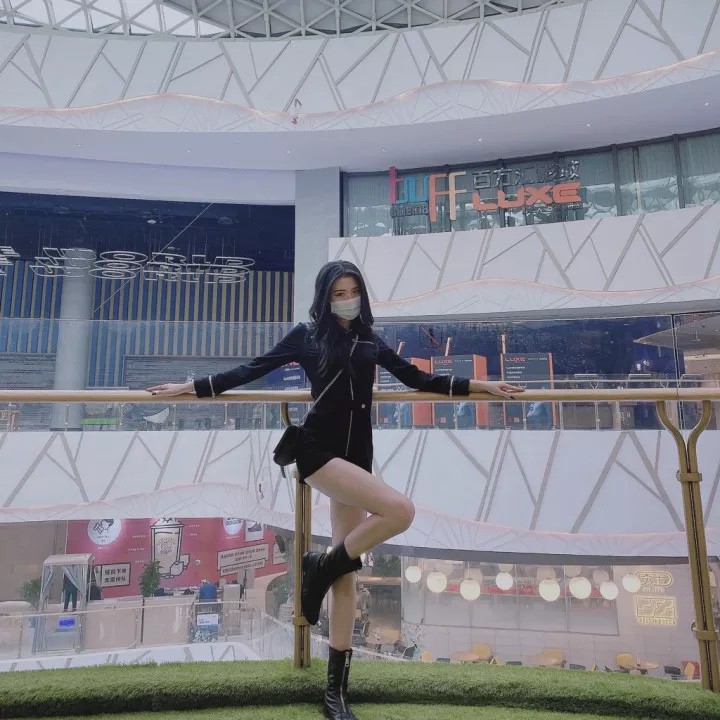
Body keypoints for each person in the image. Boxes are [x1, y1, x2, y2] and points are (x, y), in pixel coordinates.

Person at [147, 260, 521, 720]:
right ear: (325, 297)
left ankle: (335, 691)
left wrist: (479, 385)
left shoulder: (369, 340)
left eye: (352, 291)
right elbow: (250, 369)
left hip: (357, 458)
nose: (347, 299)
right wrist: (191, 387)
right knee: (401, 511)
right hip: (319, 453)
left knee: (347, 577)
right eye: (338, 293)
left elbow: (417, 379)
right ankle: (320, 565)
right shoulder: (307, 336)